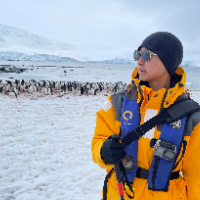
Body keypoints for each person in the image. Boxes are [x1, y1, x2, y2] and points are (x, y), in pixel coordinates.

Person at [91, 31, 200, 200]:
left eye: (147, 55)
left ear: (168, 62)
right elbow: (98, 142)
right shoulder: (117, 102)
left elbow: (196, 176)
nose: (139, 61)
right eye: (138, 54)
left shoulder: (192, 115)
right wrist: (103, 151)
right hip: (121, 193)